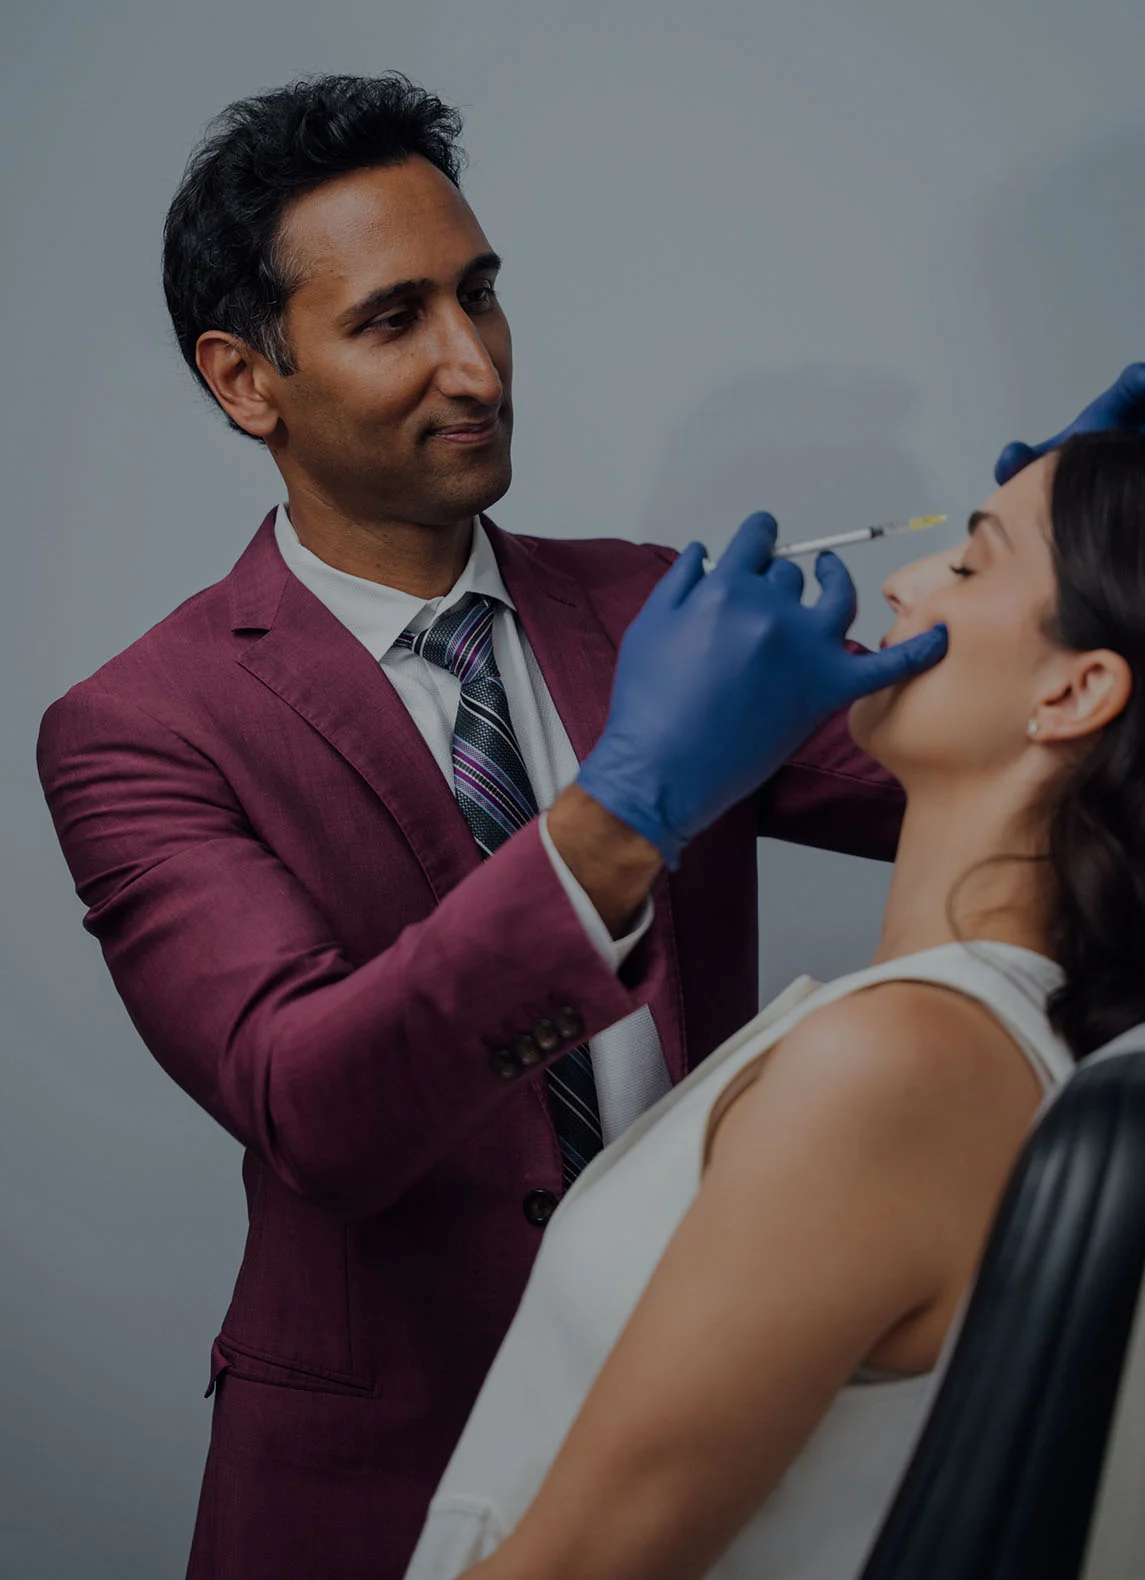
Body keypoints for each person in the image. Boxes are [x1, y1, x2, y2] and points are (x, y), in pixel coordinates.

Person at [32, 66, 1145, 1580]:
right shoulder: (137, 731)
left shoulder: (640, 606)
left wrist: (1082, 575)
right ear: (245, 380)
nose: (476, 365)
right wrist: (615, 820)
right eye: (391, 320)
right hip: (367, 1487)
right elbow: (316, 1107)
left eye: (478, 295)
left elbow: (1026, 766)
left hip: (720, 1407)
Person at [403, 430, 1145, 1580]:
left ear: (1074, 686)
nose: (901, 579)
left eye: (967, 562)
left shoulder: (890, 1061)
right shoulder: (1000, 1035)